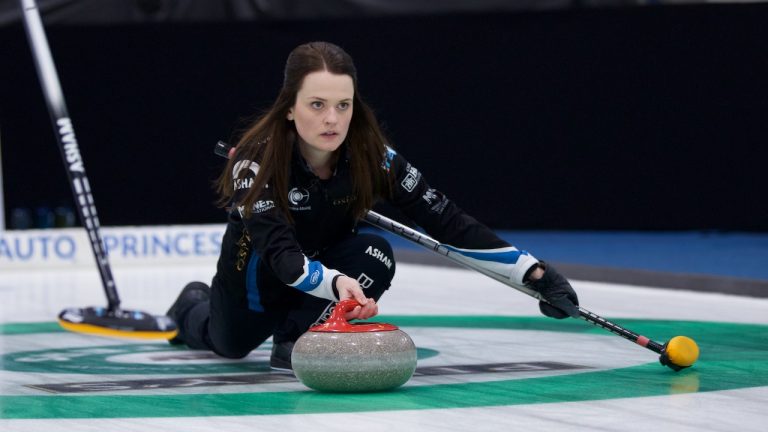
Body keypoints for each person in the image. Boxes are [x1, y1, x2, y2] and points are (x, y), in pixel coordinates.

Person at [168, 41, 579, 370]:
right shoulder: (255, 163)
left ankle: (297, 338)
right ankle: (191, 304)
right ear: (290, 108)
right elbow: (282, 258)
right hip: (258, 278)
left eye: (343, 105)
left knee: (375, 253)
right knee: (229, 346)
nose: (332, 119)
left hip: (325, 263)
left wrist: (534, 272)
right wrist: (334, 284)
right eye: (317, 105)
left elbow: (447, 220)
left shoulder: (373, 156)